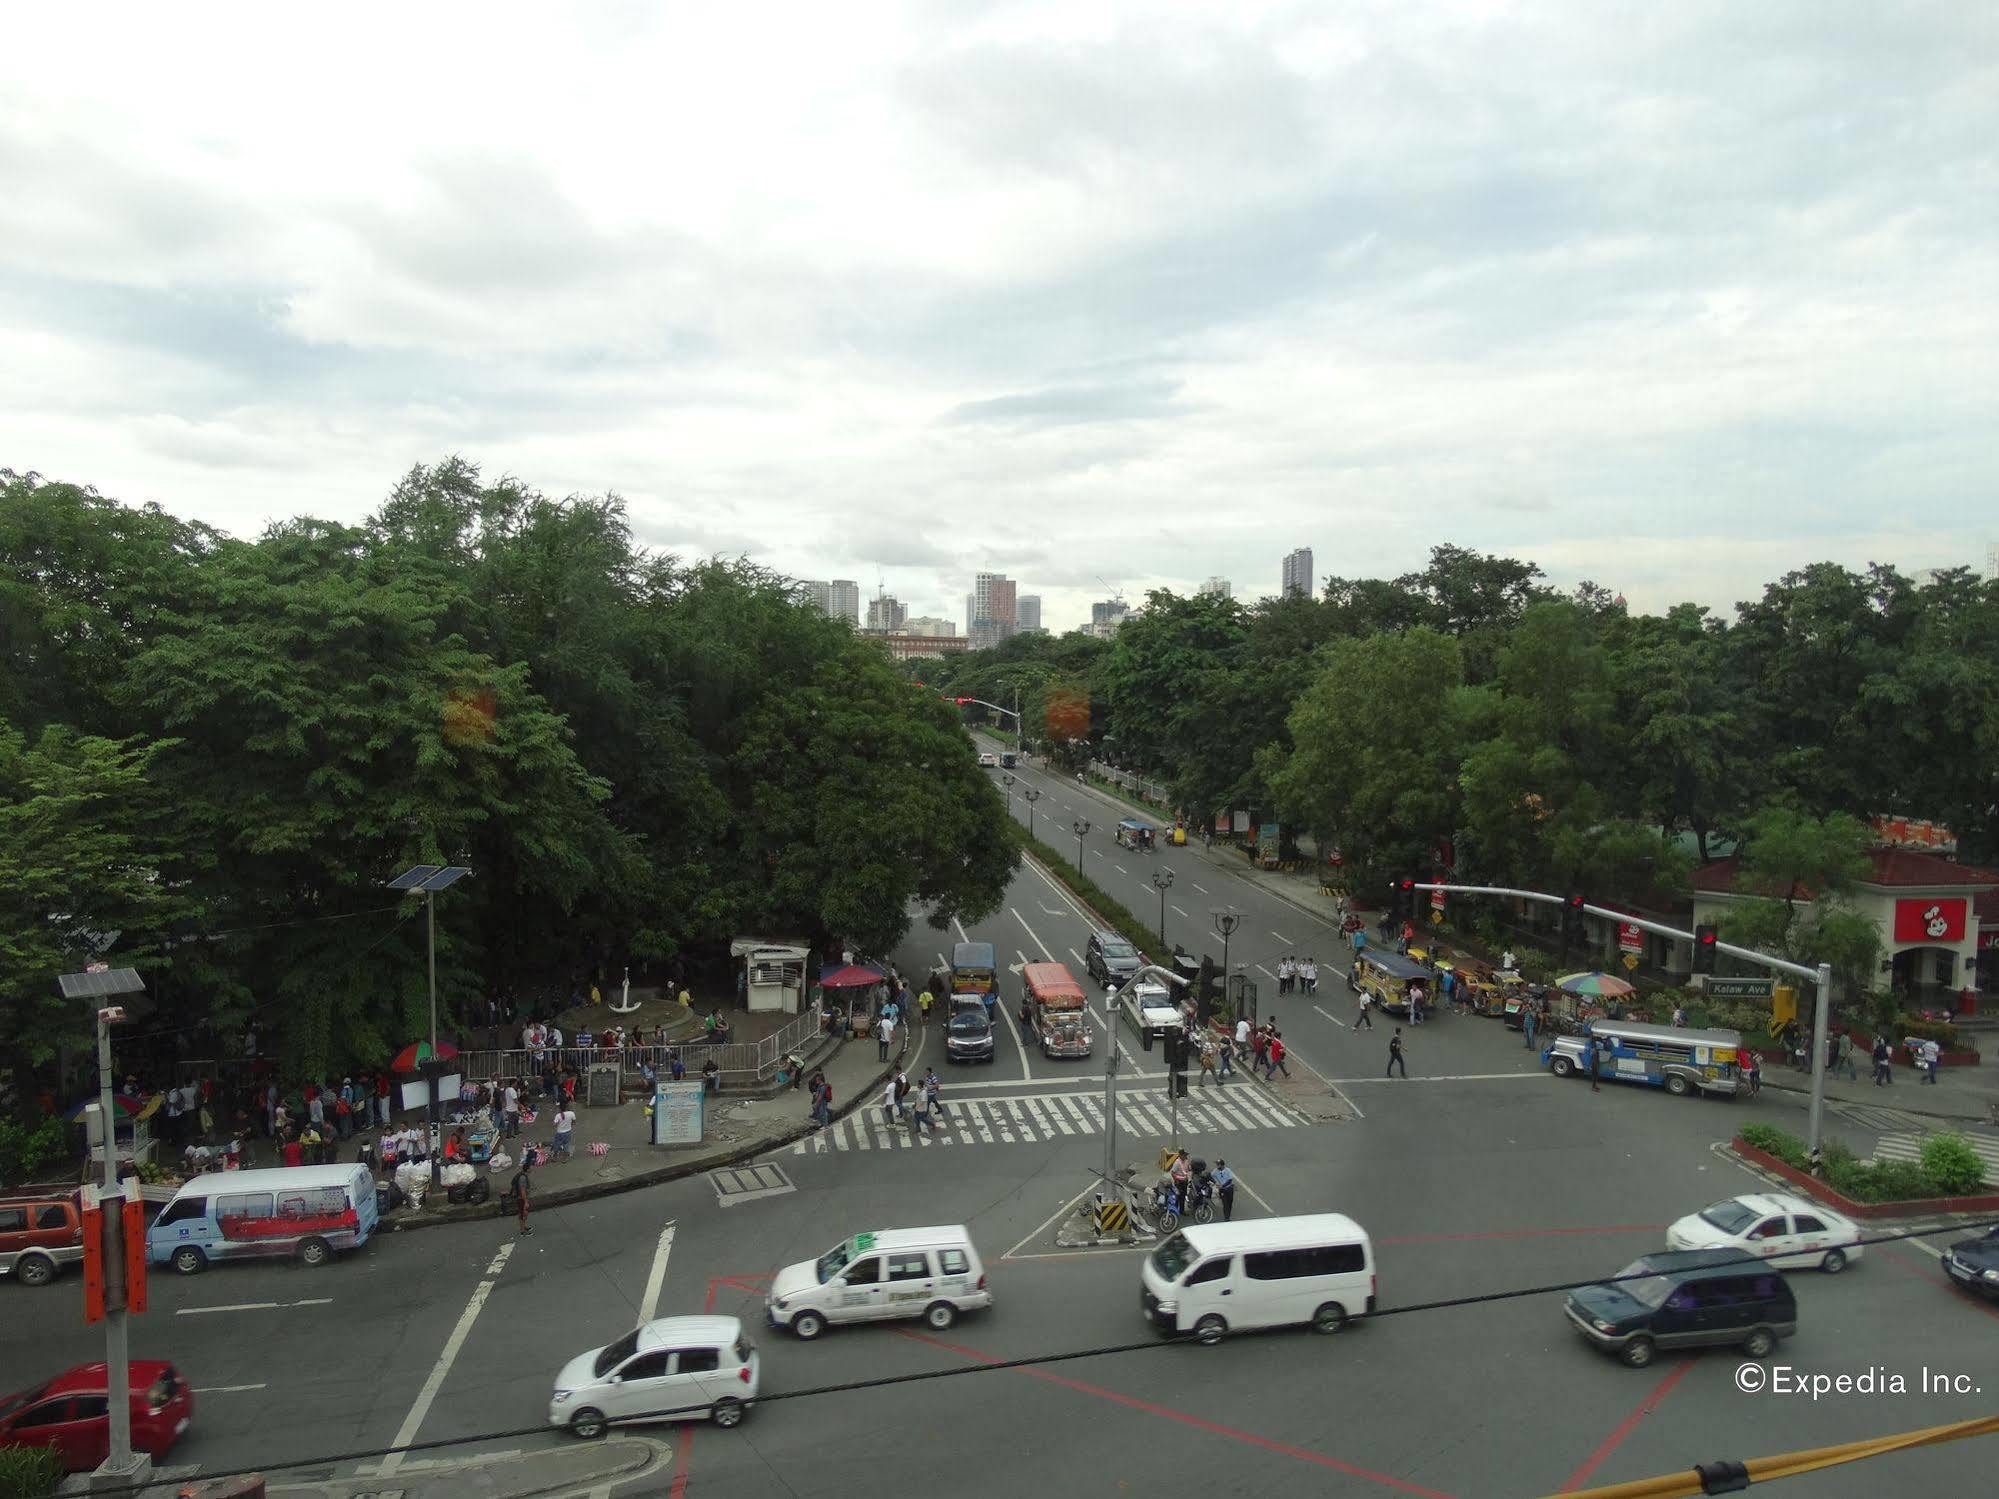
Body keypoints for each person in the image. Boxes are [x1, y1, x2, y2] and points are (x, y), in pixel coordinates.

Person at [512, 1158, 534, 1236]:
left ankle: (524, 1227)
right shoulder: (523, 1178)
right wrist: (526, 1202)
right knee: (523, 1214)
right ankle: (522, 1231)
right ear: (527, 1169)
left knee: (524, 1214)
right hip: (521, 1199)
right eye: (531, 1167)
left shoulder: (523, 1175)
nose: (532, 1168)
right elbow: (522, 1190)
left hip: (521, 1198)